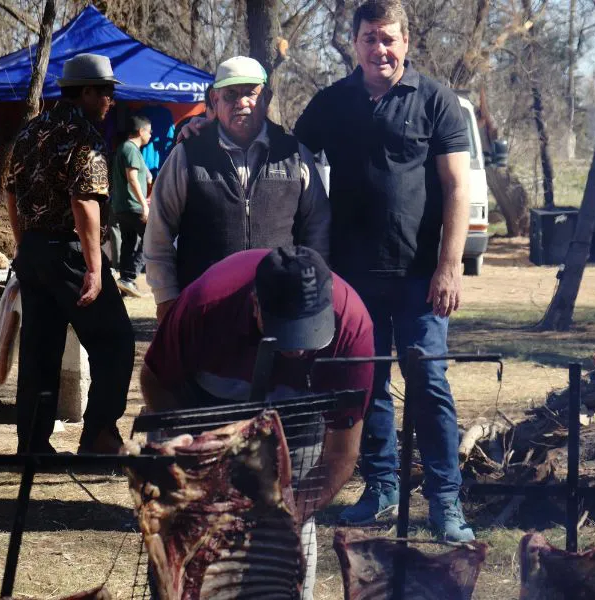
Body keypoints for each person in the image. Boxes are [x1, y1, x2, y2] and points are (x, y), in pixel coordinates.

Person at [293, 0, 475, 541]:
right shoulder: (333, 102)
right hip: (350, 277)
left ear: (407, 42)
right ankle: (381, 485)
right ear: (355, 44)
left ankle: (445, 500)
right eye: (370, 38)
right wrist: (207, 128)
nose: (381, 49)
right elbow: (289, 156)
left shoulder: (436, 101)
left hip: (420, 276)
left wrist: (449, 268)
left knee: (429, 380)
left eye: (389, 38)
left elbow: (456, 187)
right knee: (366, 383)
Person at [140, 246, 373, 600]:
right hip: (208, 403)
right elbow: (154, 378)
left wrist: (287, 515)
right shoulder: (205, 304)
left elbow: (341, 454)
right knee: (189, 532)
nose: (298, 350)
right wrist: (194, 455)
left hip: (297, 414)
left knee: (286, 539)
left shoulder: (352, 325)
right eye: (287, 334)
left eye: (310, 333)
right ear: (255, 306)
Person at [4, 53, 134, 454]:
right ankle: (98, 433)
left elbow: (10, 190)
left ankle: (33, 444)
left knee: (40, 351)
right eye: (107, 92)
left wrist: (24, 245)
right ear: (87, 92)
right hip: (72, 252)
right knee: (115, 340)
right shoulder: (85, 135)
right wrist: (95, 269)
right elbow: (84, 203)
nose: (110, 100)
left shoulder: (31, 131)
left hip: (35, 252)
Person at [144, 56, 330, 323]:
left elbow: (318, 228)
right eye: (230, 94)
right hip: (205, 309)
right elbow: (158, 234)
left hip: (279, 307)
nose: (242, 103)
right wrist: (166, 297)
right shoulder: (188, 154)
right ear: (215, 99)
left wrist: (311, 288)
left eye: (250, 93)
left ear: (265, 97)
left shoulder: (294, 154)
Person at [111, 114, 152, 298]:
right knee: (151, 240)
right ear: (141, 131)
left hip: (123, 206)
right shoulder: (130, 149)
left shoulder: (127, 149)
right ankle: (128, 277)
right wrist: (144, 204)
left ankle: (126, 282)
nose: (151, 135)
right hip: (133, 206)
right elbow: (132, 178)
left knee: (129, 242)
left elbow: (145, 176)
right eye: (149, 132)